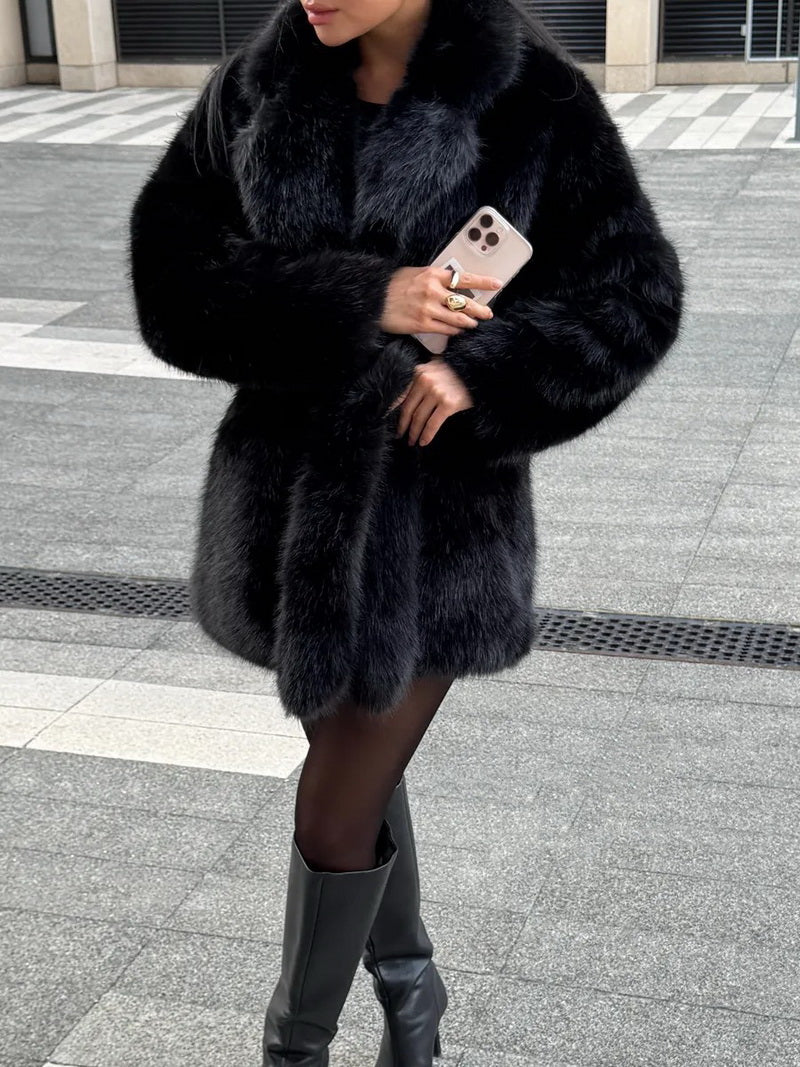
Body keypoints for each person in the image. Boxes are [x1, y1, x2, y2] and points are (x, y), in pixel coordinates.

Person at [127, 0, 685, 1062]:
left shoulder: (532, 99)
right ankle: (411, 992)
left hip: (438, 538)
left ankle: (293, 1047)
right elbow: (172, 283)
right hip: (283, 522)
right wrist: (361, 297)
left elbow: (634, 294)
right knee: (359, 785)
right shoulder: (255, 89)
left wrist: (484, 376)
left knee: (332, 816)